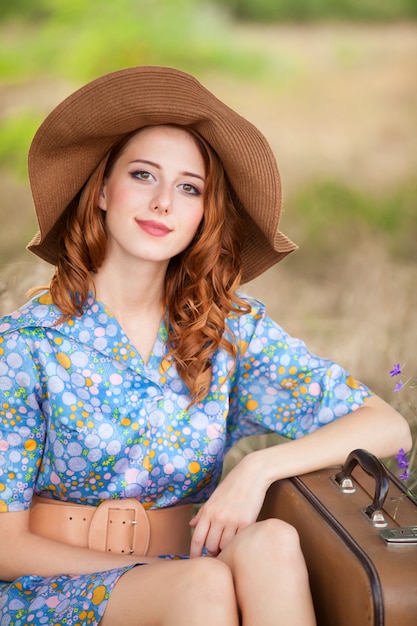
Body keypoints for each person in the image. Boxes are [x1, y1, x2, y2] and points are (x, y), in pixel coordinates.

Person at [0, 66, 411, 626]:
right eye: (143, 175)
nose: (164, 201)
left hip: (188, 563)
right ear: (100, 190)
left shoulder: (224, 331)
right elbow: (6, 548)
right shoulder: (25, 345)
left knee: (269, 545)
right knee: (204, 587)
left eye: (189, 187)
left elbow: (386, 425)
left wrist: (259, 468)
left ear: (203, 215)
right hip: (49, 589)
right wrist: (160, 573)